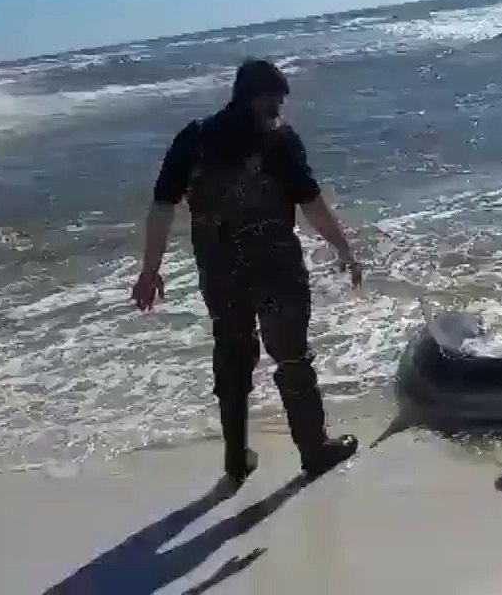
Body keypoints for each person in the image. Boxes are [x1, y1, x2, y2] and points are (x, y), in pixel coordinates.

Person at [131, 59, 360, 487]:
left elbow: (162, 206)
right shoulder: (279, 140)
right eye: (275, 101)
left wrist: (150, 270)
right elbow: (311, 204)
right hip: (276, 268)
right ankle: (314, 449)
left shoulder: (194, 138)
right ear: (259, 97)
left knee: (232, 356)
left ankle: (236, 460)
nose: (278, 111)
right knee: (291, 354)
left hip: (219, 269)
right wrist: (343, 247)